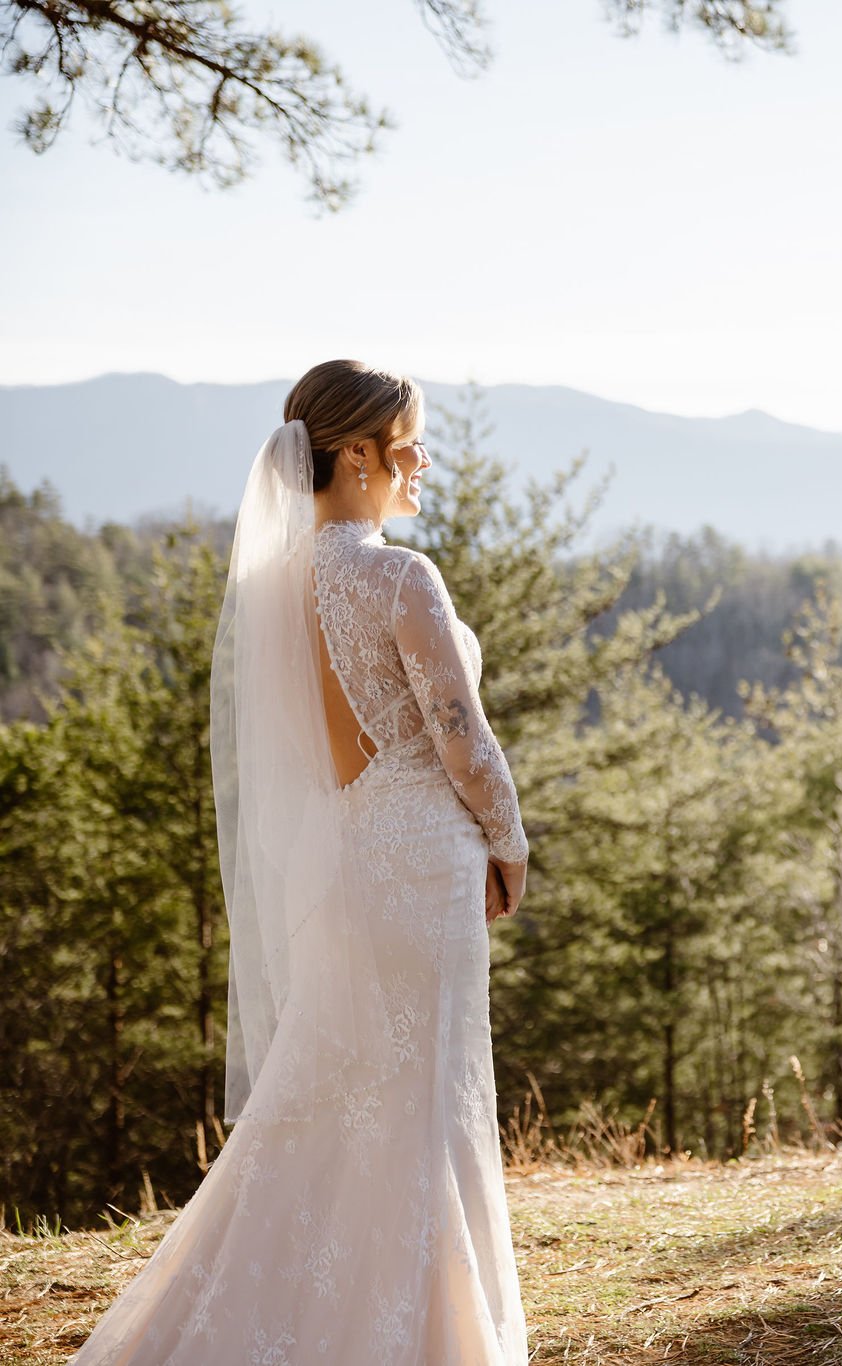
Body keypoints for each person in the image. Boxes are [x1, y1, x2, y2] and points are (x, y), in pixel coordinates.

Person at [72, 360, 531, 1362]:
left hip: (346, 862)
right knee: (428, 1098)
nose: (422, 464)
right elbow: (463, 738)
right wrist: (510, 840)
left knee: (330, 1093)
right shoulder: (400, 578)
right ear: (356, 453)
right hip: (422, 863)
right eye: (409, 445)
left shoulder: (275, 583)